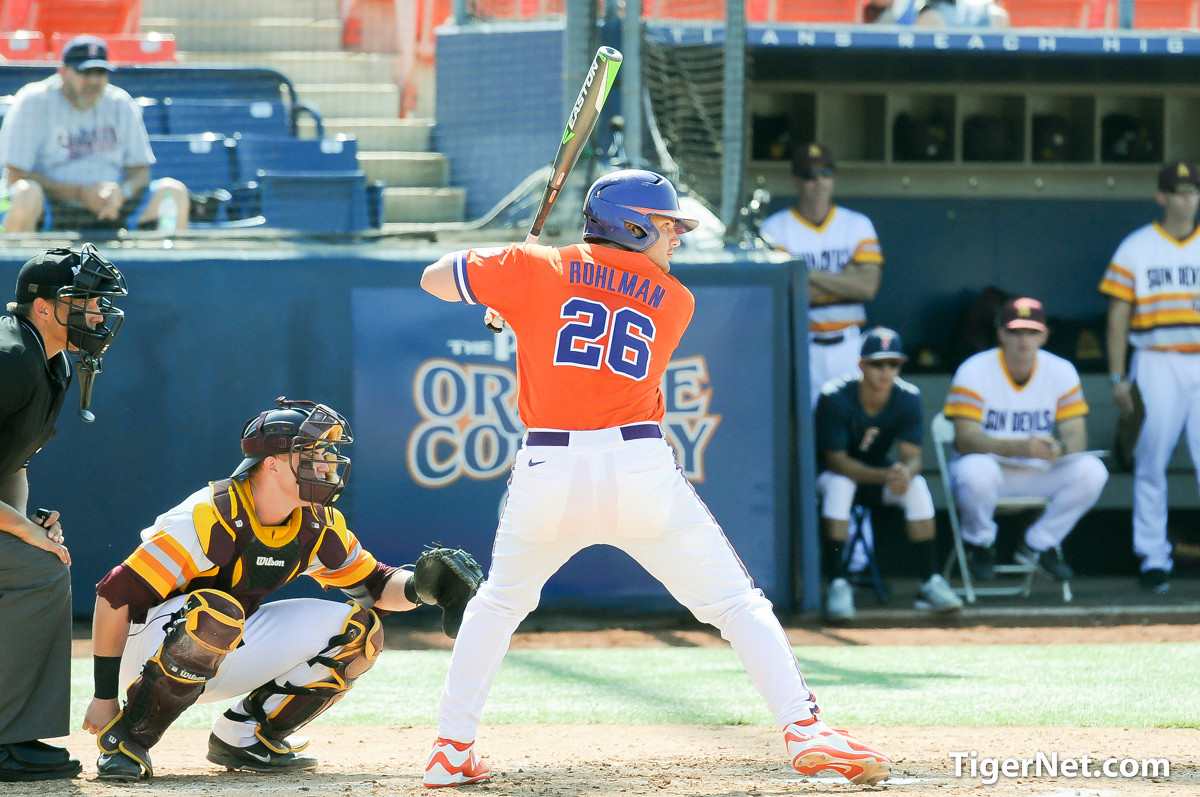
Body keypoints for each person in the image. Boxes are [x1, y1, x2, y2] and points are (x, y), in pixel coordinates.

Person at [418, 169, 892, 788]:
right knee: (735, 603)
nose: (676, 238)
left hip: (548, 469)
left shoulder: (535, 266)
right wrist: (522, 285)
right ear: (632, 223)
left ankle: (451, 749)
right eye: (667, 225)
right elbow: (598, 302)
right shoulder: (675, 299)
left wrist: (504, 278)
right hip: (638, 469)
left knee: (499, 603)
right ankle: (805, 729)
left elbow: (433, 279)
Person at [81, 397, 480, 781]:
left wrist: (423, 587)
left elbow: (374, 586)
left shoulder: (315, 523)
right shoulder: (207, 516)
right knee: (217, 613)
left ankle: (245, 736)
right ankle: (126, 740)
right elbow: (113, 595)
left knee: (361, 632)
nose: (325, 464)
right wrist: (104, 696)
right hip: (147, 649)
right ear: (271, 465)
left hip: (223, 638)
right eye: (312, 453)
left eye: (326, 453)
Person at [0, 244, 127, 782]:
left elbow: (12, 464)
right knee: (39, 570)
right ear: (44, 307)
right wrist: (23, 531)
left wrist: (24, 521)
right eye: (85, 301)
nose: (97, 313)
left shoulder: (47, 358)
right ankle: (9, 741)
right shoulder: (10, 358)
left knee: (39, 558)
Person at [758, 142, 885, 577]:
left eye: (825, 174)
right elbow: (787, 294)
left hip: (851, 348)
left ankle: (858, 555)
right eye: (810, 175)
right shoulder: (775, 227)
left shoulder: (855, 224)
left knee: (853, 447)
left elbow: (867, 287)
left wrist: (804, 274)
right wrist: (839, 282)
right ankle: (810, 552)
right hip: (803, 346)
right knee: (804, 446)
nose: (818, 183)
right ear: (796, 181)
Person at [943, 297, 1108, 584]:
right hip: (992, 472)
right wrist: (1021, 447)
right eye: (1016, 331)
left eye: (1031, 332)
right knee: (974, 471)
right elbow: (965, 441)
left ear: (1044, 335)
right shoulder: (974, 370)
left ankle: (1038, 544)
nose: (1023, 339)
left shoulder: (1061, 370)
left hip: (1036, 472)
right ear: (1001, 334)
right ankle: (979, 543)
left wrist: (1062, 449)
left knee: (1093, 471)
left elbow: (1076, 434)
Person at [1100, 161, 1200, 594]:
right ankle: (1153, 556)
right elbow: (1118, 315)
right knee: (1150, 458)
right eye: (1177, 191)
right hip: (1156, 359)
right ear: (1161, 196)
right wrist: (1118, 376)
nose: (1186, 198)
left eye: (1192, 190)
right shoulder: (1136, 247)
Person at [816, 327, 962, 620]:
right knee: (842, 485)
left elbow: (913, 458)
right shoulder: (834, 396)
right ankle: (837, 583)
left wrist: (904, 473)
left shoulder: (907, 396)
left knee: (917, 486)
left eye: (893, 364)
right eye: (877, 363)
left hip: (876, 474)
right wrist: (886, 476)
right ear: (861, 365)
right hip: (829, 477)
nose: (885, 371)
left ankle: (930, 581)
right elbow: (837, 462)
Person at [0, 34, 189, 233]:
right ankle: (19, 263)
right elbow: (15, 176)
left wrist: (122, 193)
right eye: (85, 72)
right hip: (54, 208)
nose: (93, 81)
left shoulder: (120, 103)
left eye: (100, 72)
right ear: (63, 71)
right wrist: (79, 194)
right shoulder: (33, 102)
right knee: (25, 194)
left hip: (113, 208)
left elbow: (141, 172)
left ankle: (168, 263)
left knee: (173, 193)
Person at [917, 0, 1010, 27]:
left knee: (999, 17)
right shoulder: (927, 13)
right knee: (929, 18)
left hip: (981, 65)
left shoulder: (986, 8)